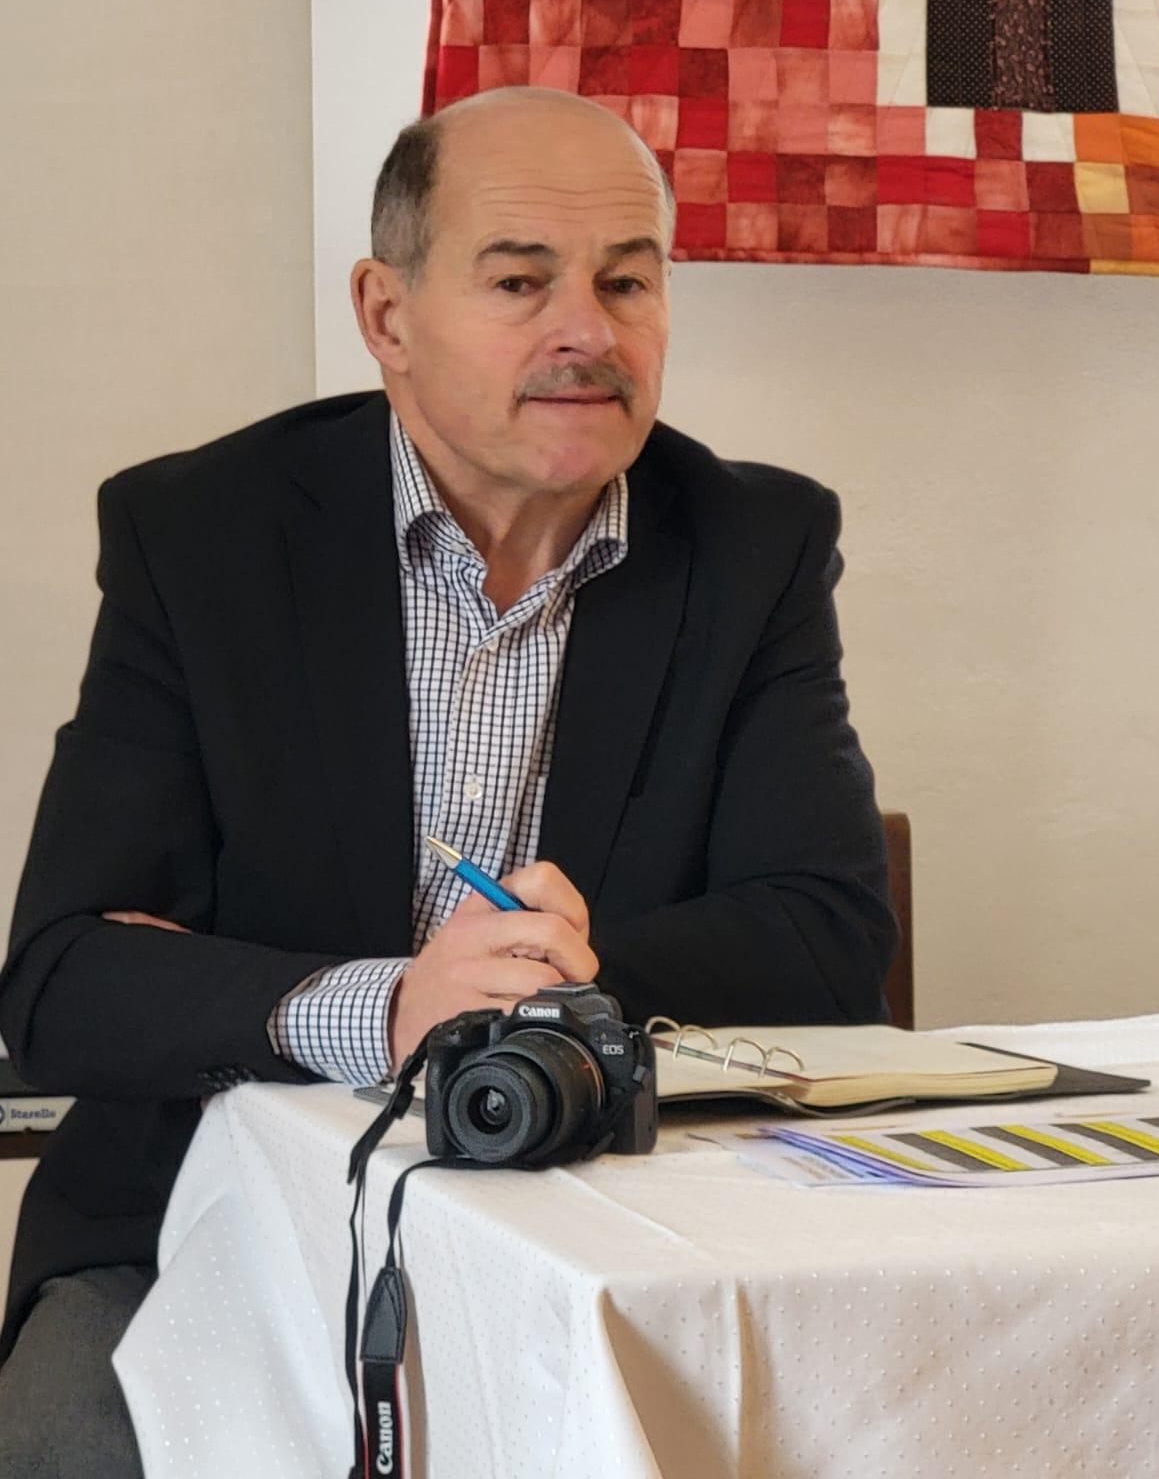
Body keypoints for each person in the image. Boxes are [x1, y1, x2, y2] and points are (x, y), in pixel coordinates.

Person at [0, 86, 896, 1474]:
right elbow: (64, 981)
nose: (587, 332)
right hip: (195, 1218)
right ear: (388, 315)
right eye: (521, 281)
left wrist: (546, 985)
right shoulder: (204, 536)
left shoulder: (752, 544)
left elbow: (827, 943)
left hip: (613, 1229)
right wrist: (391, 1006)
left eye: (627, 281)